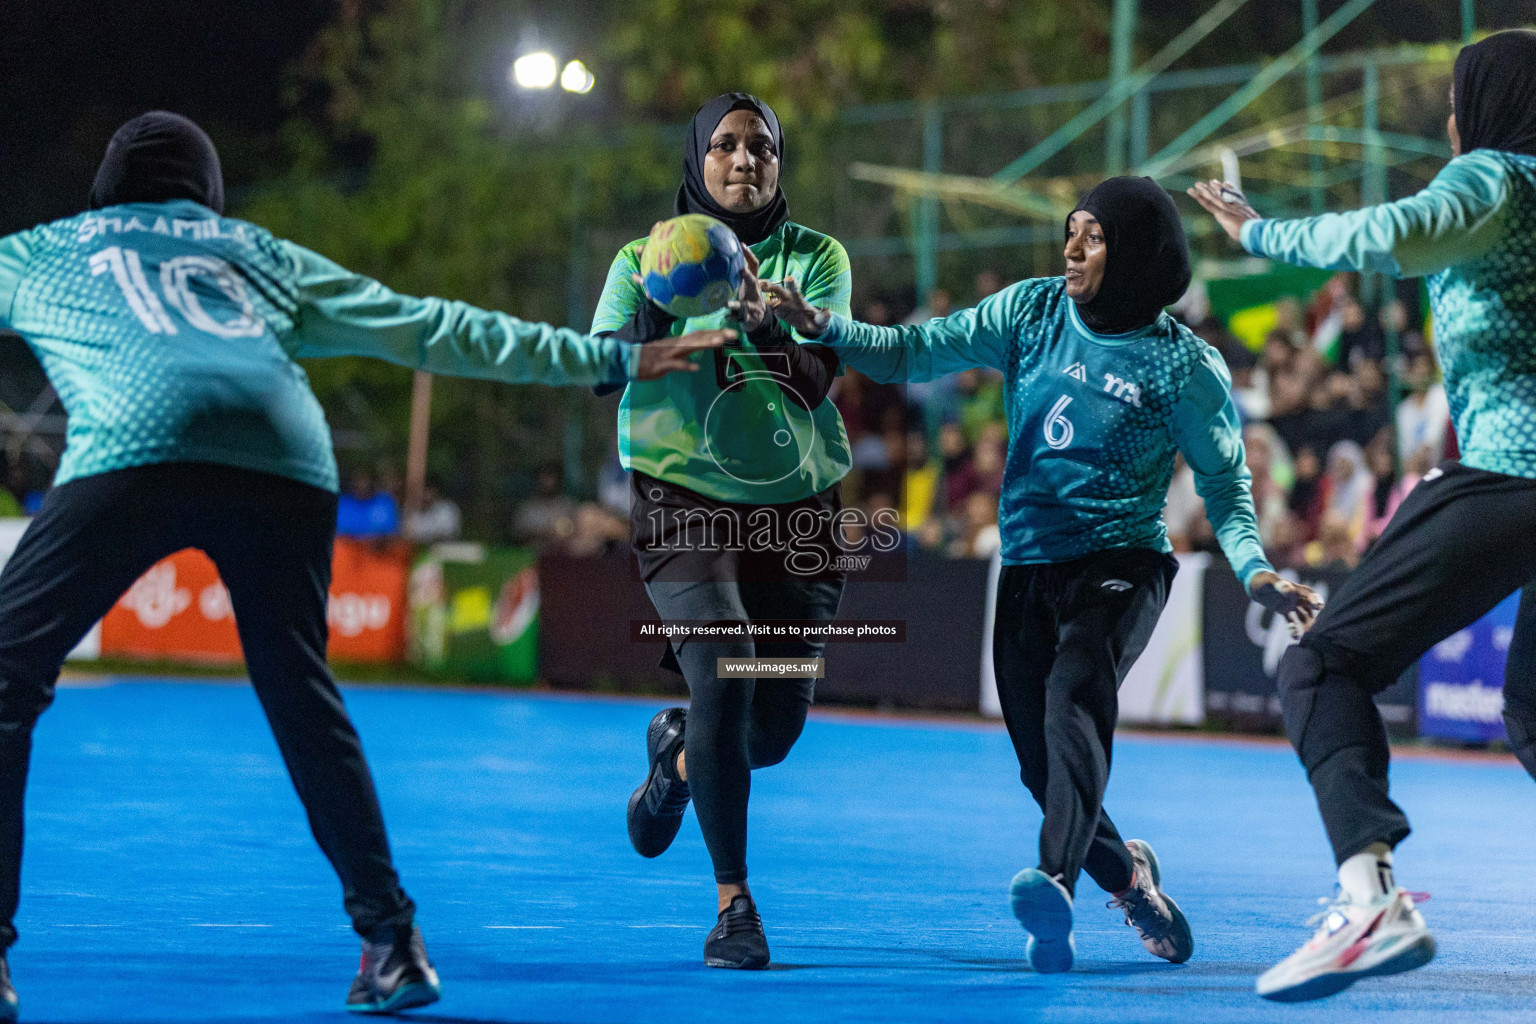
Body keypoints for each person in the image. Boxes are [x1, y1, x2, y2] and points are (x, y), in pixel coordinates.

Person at [0, 111, 725, 1020]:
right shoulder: (250, 249)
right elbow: (432, 327)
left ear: (106, 192)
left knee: (6, 680)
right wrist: (613, 354)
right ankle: (392, 941)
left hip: (136, 439)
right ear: (208, 197)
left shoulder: (42, 249)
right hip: (284, 451)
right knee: (300, 690)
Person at [759, 175, 1322, 973]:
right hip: (1026, 568)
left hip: (1122, 563)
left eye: (1092, 237)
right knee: (1041, 765)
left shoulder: (1184, 367)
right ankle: (1132, 884)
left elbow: (1227, 491)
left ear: (1132, 255)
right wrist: (824, 325)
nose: (1071, 247)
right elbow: (914, 352)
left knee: (1074, 701)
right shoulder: (1030, 311)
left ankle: (1053, 884)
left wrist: (1258, 572)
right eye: (1071, 230)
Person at [1188, 28, 1536, 1002]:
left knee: (1324, 664)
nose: (1455, 126)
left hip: (1514, 472)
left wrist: (1261, 232)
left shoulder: (1493, 181)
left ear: (1486, 111)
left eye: (1462, 104)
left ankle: (1369, 896)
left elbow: (1381, 236)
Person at [589, 93, 853, 971]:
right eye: (727, 146)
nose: (745, 160)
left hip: (797, 514)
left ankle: (676, 758)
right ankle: (734, 903)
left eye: (763, 147)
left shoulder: (815, 258)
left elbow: (816, 382)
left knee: (766, 733)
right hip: (683, 501)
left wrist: (764, 320)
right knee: (729, 657)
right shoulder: (644, 257)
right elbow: (600, 369)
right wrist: (660, 314)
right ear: (697, 158)